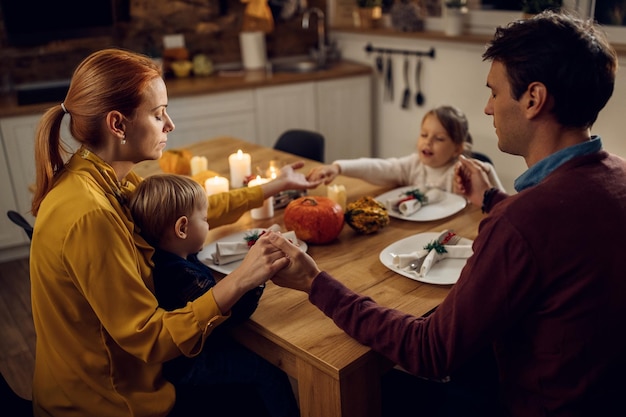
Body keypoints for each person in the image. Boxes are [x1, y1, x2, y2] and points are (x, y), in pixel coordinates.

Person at [267, 10, 626, 417]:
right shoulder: (616, 177)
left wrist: (316, 283)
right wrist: (491, 199)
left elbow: (430, 351)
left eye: (494, 91)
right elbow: (558, 234)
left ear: (533, 99)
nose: (488, 108)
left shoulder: (522, 223)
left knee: (371, 381)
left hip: (531, 402)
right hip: (603, 392)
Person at [28, 48, 318, 417]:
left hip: (122, 381)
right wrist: (242, 279)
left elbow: (180, 215)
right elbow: (149, 338)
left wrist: (270, 187)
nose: (170, 125)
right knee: (264, 378)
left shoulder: (103, 178)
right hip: (110, 402)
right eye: (157, 113)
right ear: (118, 125)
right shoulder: (90, 214)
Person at [128, 174, 299, 417]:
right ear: (182, 228)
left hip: (187, 356)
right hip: (191, 365)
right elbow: (234, 314)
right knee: (267, 369)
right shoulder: (180, 275)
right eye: (206, 219)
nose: (209, 225)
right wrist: (257, 278)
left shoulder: (167, 257)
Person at [306, 105, 505, 193]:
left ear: (456, 149)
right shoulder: (413, 165)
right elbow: (380, 168)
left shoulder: (459, 173)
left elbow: (492, 201)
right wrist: (339, 168)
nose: (427, 143)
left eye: (439, 139)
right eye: (424, 135)